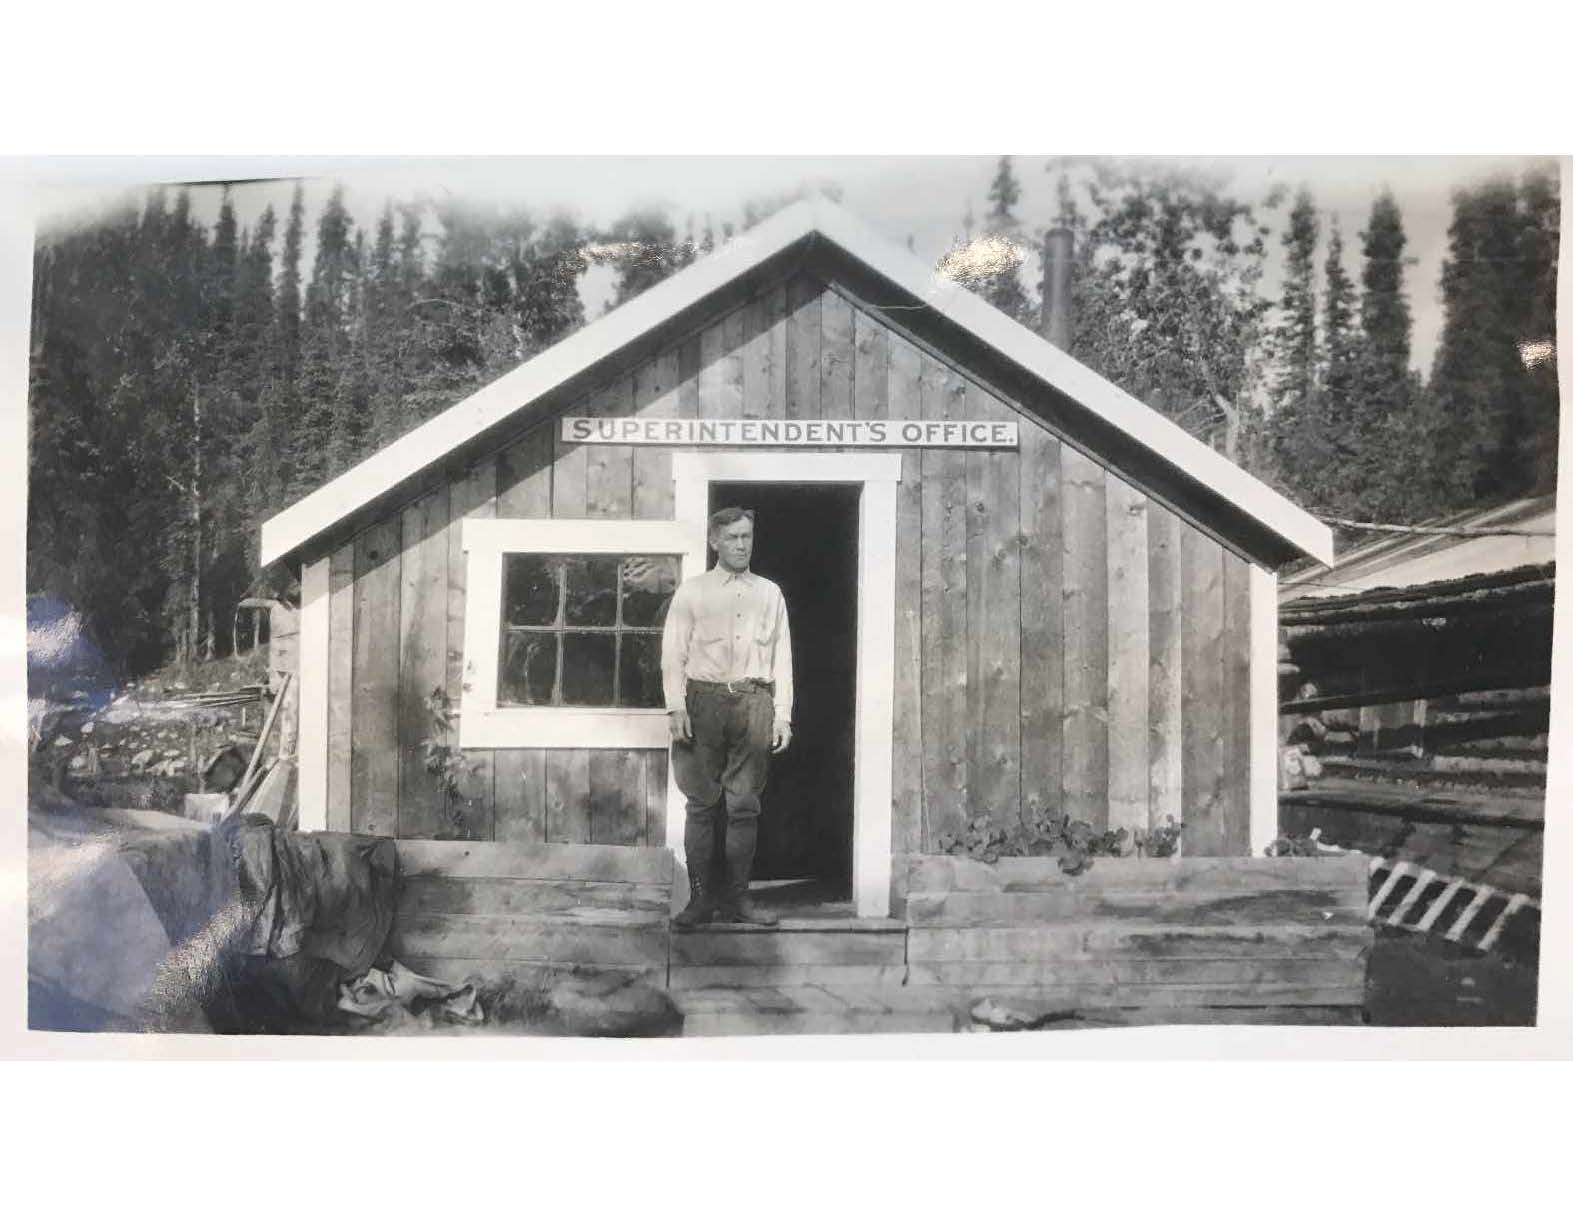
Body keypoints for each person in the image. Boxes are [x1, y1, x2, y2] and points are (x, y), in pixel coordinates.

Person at [661, 507, 793, 928]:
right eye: (733, 537)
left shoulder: (769, 593)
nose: (741, 545)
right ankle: (699, 901)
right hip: (703, 703)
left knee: (744, 806)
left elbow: (783, 657)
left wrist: (783, 715)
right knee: (701, 804)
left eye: (746, 537)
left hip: (754, 701)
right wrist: (675, 706)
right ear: (714, 541)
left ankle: (739, 900)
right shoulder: (693, 592)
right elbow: (673, 654)